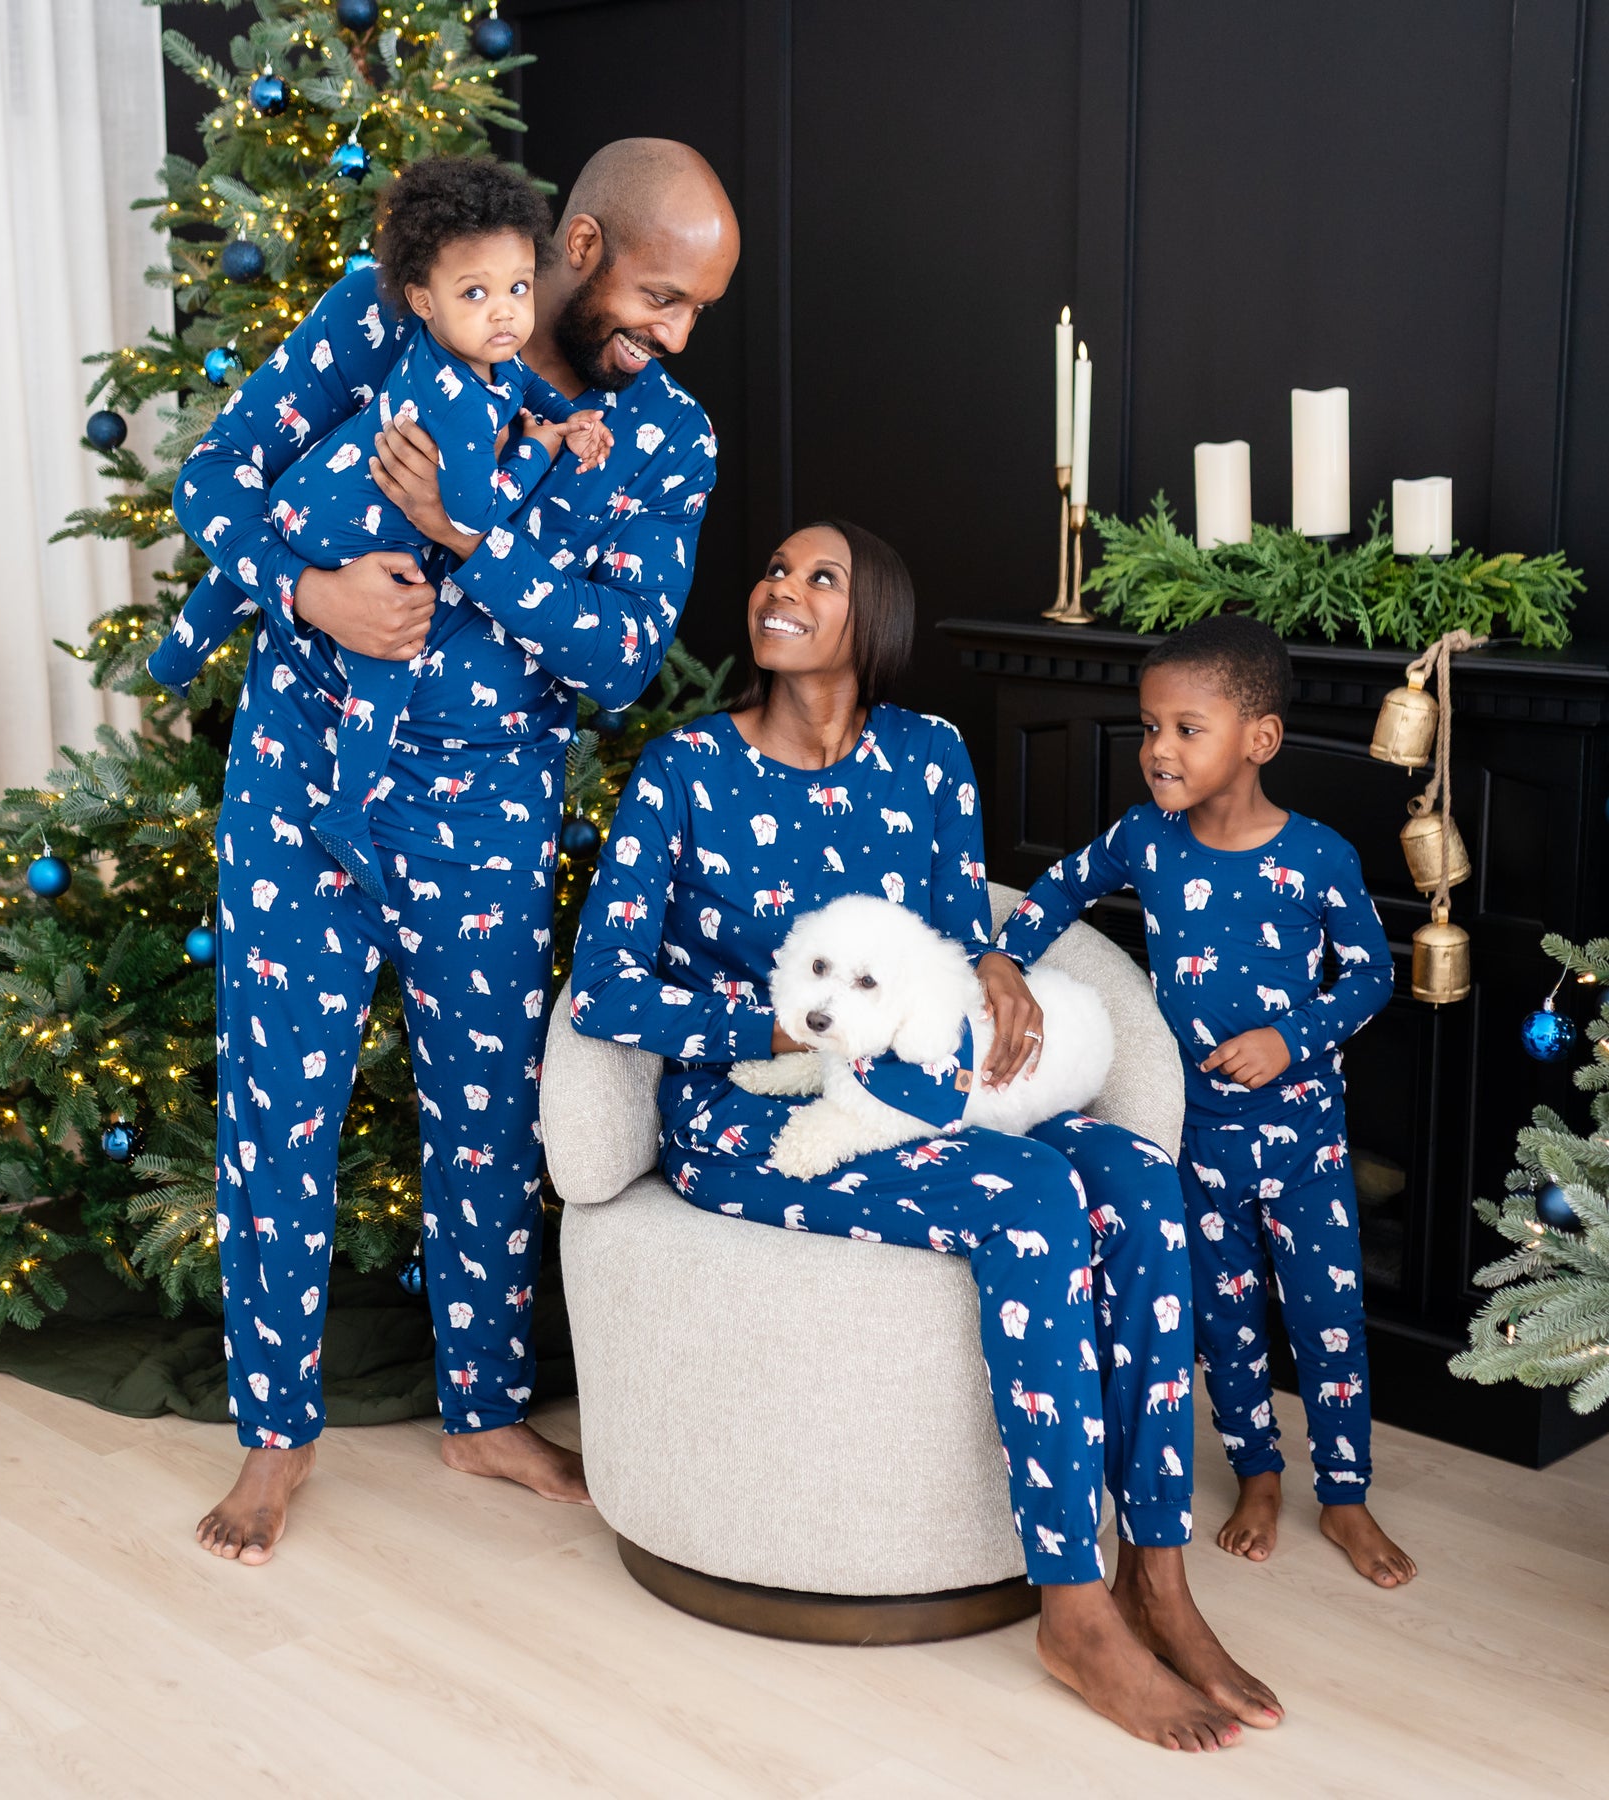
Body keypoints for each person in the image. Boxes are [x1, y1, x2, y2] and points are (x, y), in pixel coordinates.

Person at [571, 522, 1283, 1751]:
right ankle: (1073, 1604)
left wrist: (1000, 965)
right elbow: (602, 989)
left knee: (1130, 1174)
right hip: (756, 1107)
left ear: (874, 617)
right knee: (1032, 1198)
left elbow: (961, 927)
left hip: (913, 1086)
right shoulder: (687, 770)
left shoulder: (928, 754)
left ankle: (1155, 1573)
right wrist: (789, 1027)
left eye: (820, 577)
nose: (781, 590)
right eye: (777, 572)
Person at [169, 139, 740, 1563]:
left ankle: (481, 1410)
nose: (672, 337)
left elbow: (619, 659)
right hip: (303, 788)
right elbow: (216, 474)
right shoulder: (392, 313)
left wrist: (468, 539)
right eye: (662, 297)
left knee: (485, 1118)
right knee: (274, 1114)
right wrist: (309, 593)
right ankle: (274, 1436)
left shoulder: (668, 435)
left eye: (697, 317)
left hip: (487, 816)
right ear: (586, 246)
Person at [993, 614, 1416, 1589]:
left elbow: (1369, 978)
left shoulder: (1318, 855)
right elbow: (1055, 890)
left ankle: (1345, 1496)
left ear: (1258, 739)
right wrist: (1001, 959)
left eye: (1188, 728)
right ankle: (1257, 1474)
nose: (1158, 751)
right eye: (1149, 728)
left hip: (1304, 1141)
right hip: (1197, 1139)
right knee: (1222, 1323)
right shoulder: (1146, 839)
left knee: (1328, 1316)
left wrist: (1287, 1039)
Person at [154, 158, 612, 899]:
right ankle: (346, 808)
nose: (504, 313)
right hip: (350, 546)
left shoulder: (478, 354)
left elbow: (524, 384)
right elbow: (471, 513)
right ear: (421, 300)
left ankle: (175, 658)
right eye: (477, 294)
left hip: (310, 496)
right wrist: (540, 446)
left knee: (246, 560)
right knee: (389, 659)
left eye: (517, 289)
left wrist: (563, 414)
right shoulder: (451, 396)